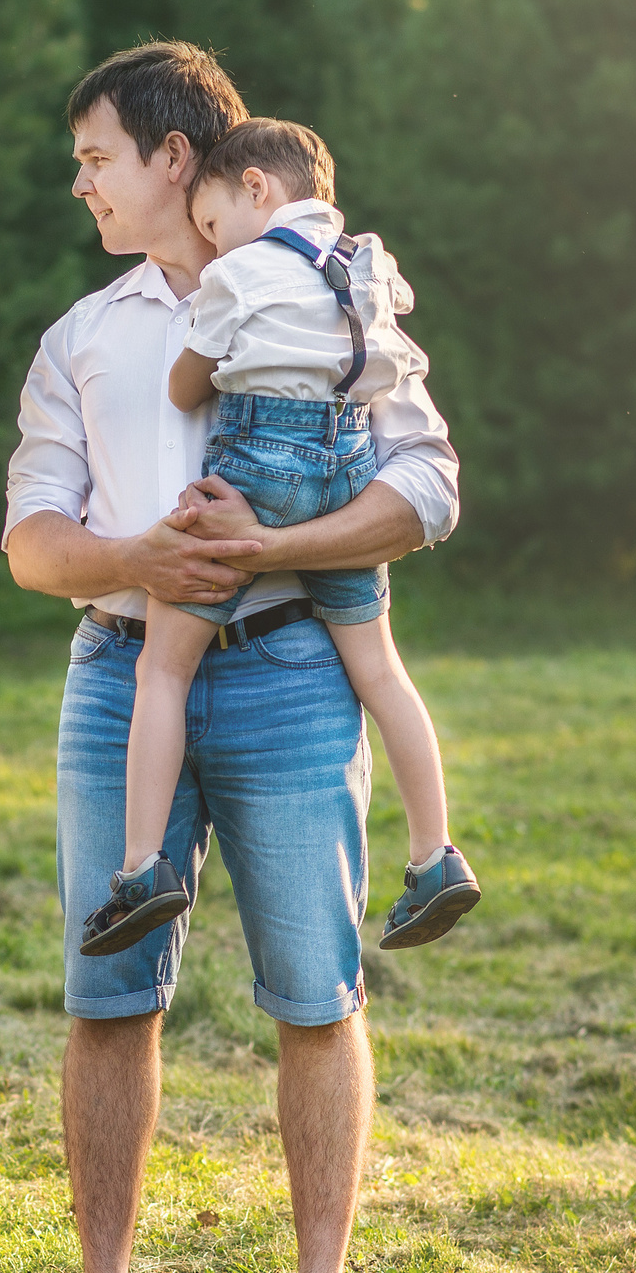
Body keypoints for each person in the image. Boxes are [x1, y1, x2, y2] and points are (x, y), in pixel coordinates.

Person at [3, 43, 462, 1273]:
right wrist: (138, 558)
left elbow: (427, 487)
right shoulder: (81, 338)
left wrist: (271, 550)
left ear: (176, 159)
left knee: (317, 993)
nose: (81, 183)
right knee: (107, 993)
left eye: (96, 157)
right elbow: (31, 542)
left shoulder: (336, 293)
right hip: (118, 672)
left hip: (293, 673)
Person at [83, 117, 481, 958]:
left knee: (162, 667)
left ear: (256, 189)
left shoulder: (241, 270)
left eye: (214, 221)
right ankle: (435, 854)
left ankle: (142, 867)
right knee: (382, 671)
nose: (213, 241)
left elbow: (187, 388)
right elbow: (386, 349)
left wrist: (211, 355)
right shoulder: (370, 261)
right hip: (350, 463)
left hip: (261, 462)